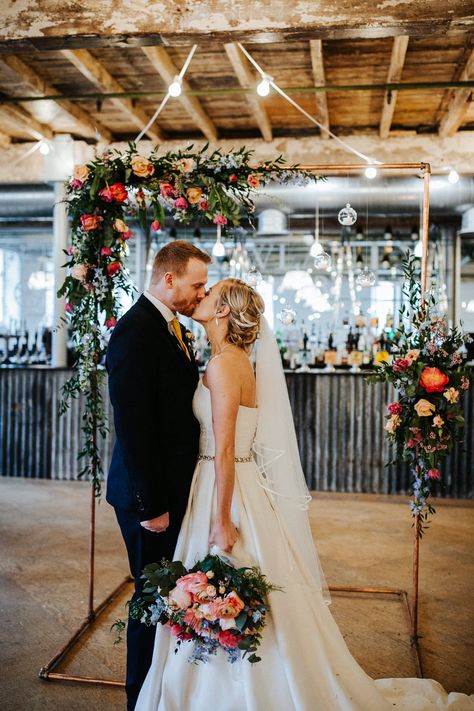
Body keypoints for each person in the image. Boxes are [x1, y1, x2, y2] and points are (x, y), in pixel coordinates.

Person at [136, 277, 474, 711]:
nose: (200, 297)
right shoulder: (231, 359)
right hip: (233, 483)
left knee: (230, 575)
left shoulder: (224, 366)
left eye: (209, 293)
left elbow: (222, 452)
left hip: (225, 488)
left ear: (223, 311)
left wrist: (221, 520)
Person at [106, 240, 211, 711]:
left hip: (172, 484)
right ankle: (138, 699)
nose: (199, 294)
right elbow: (132, 425)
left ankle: (162, 690)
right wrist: (152, 506)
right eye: (196, 285)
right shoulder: (135, 331)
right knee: (150, 597)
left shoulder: (172, 327)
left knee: (169, 590)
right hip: (146, 496)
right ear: (169, 279)